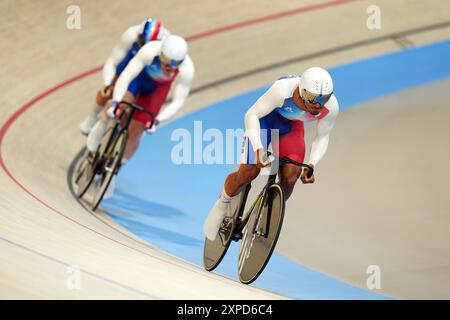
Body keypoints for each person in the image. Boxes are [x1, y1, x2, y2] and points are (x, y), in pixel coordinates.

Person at [203, 67, 339, 241]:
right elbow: (251, 114)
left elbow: (322, 137)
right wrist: (259, 148)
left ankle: (266, 214)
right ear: (302, 90)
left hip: (291, 128)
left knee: (291, 177)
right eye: (313, 98)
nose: (318, 104)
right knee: (250, 170)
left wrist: (312, 164)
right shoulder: (282, 90)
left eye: (323, 99)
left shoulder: (331, 106)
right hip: (265, 120)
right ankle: (222, 204)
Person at [85, 34, 195, 197]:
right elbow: (127, 76)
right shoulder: (150, 50)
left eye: (174, 65)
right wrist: (116, 101)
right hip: (139, 80)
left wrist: (158, 120)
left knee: (137, 130)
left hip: (157, 91)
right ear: (162, 54)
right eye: (167, 63)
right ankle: (100, 126)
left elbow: (177, 102)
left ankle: (114, 170)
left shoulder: (187, 69)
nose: (170, 68)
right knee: (121, 106)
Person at [79, 18, 170, 135]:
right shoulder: (131, 34)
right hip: (132, 61)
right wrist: (108, 83)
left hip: (149, 71)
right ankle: (92, 118)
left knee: (132, 103)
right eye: (141, 43)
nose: (144, 48)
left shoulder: (166, 46)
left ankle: (119, 127)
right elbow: (113, 60)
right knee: (108, 90)